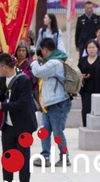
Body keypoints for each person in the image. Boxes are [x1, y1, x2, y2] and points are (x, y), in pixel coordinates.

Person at [0, 52, 37, 182]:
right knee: (8, 157)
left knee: (23, 158)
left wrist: (1, 106)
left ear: (4, 67)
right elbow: (0, 97)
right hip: (8, 125)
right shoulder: (2, 80)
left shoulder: (24, 80)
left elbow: (22, 103)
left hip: (23, 126)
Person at [30, 37, 71, 167]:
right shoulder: (53, 61)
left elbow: (37, 72)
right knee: (44, 130)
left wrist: (35, 61)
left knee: (58, 131)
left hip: (57, 103)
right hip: (49, 103)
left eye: (41, 52)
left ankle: (65, 157)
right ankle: (45, 156)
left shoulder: (54, 63)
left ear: (45, 50)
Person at [77, 39, 100, 126]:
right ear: (86, 49)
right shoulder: (82, 60)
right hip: (86, 89)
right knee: (86, 108)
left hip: (99, 88)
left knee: (99, 109)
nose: (91, 50)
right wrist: (82, 76)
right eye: (89, 48)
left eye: (93, 47)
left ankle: (99, 126)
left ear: (97, 49)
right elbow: (77, 73)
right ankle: (86, 126)